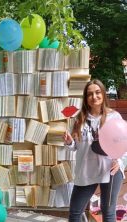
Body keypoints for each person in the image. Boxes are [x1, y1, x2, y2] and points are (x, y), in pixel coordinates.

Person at [63, 79, 127, 222]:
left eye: (97, 92)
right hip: (86, 170)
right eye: (90, 94)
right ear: (86, 98)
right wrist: (69, 142)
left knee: (108, 212)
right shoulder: (80, 119)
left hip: (110, 171)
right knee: (75, 213)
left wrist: (120, 163)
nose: (94, 97)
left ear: (103, 94)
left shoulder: (114, 117)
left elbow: (124, 145)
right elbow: (76, 147)